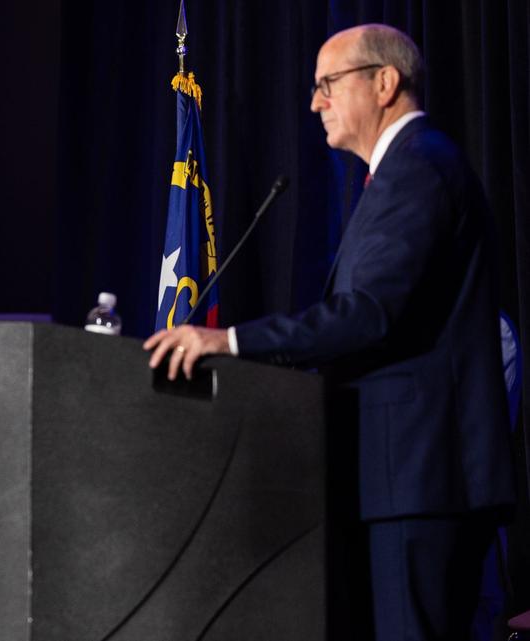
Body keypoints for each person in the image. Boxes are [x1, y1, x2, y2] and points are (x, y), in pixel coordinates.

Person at [143, 24, 514, 641]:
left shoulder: (420, 167)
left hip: (420, 481)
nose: (315, 102)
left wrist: (227, 342)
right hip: (402, 479)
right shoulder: (401, 172)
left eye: (327, 85)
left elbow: (368, 314)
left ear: (384, 83)